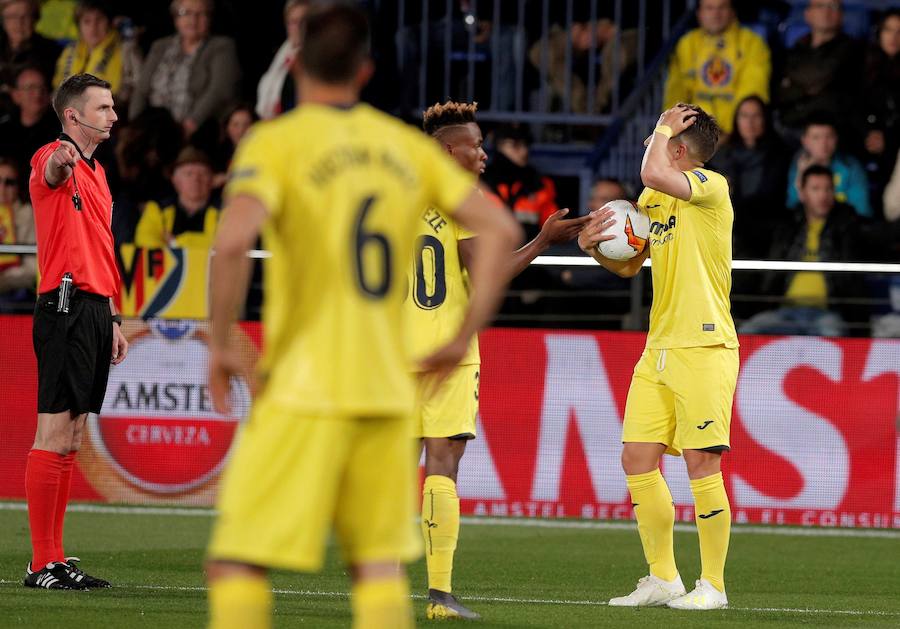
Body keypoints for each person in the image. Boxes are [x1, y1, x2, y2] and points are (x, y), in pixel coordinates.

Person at [204, 5, 522, 629]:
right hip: (385, 385)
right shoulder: (403, 149)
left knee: (240, 561)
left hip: (304, 379)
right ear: (367, 69)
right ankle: (436, 594)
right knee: (377, 567)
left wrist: (220, 341)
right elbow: (500, 226)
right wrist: (461, 336)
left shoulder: (275, 142)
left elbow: (234, 241)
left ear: (294, 65)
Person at [409, 101, 601, 620]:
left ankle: (373, 587)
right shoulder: (462, 199)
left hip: (392, 352)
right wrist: (543, 239)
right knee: (441, 466)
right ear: (450, 150)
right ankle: (440, 595)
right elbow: (488, 272)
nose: (485, 154)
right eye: (475, 144)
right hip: (447, 349)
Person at [579, 104, 738, 610]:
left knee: (701, 463)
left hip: (705, 344)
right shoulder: (652, 197)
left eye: (661, 136)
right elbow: (631, 266)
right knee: (637, 458)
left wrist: (667, 121)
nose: (655, 139)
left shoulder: (712, 188)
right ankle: (664, 578)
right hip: (659, 347)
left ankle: (712, 585)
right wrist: (596, 248)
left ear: (677, 149)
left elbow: (650, 168)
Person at [24, 72, 128, 590]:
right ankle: (41, 563)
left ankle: (55, 558)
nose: (112, 115)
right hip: (62, 307)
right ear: (73, 115)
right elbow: (49, 171)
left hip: (92, 311)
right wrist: (62, 160)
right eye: (103, 108)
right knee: (53, 433)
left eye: (111, 107)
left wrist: (112, 317)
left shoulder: (100, 173)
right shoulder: (52, 157)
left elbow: (104, 248)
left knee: (72, 438)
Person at [741, 165, 864, 337]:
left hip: (827, 314)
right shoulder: (786, 226)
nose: (823, 195)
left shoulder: (846, 225)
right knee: (748, 331)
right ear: (802, 193)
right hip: (784, 313)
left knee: (833, 335)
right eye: (816, 189)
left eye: (828, 189)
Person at [128, 0, 240, 140]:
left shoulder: (222, 47)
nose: (193, 20)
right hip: (152, 129)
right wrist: (135, 127)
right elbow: (141, 90)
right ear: (176, 18)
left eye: (201, 14)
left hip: (195, 131)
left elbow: (219, 91)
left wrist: (188, 127)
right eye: (186, 13)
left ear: (209, 18)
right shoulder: (160, 46)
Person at [663, 0, 770, 135]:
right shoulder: (686, 44)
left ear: (732, 11)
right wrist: (672, 129)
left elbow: (752, 89)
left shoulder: (752, 43)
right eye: (709, 8)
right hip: (694, 134)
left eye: (722, 7)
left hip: (735, 135)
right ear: (699, 14)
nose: (716, 14)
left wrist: (730, 132)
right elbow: (675, 93)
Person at [708, 95, 789, 257]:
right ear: (736, 120)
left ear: (765, 119)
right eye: (744, 116)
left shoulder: (779, 154)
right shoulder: (722, 154)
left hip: (766, 228)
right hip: (726, 226)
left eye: (756, 116)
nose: (750, 123)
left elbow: (774, 199)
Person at [776, 0, 863, 136]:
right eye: (820, 6)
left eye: (833, 7)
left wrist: (792, 84)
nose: (826, 11)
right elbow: (780, 92)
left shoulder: (852, 48)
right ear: (807, 14)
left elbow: (819, 76)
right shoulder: (796, 47)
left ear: (842, 15)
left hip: (831, 133)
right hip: (790, 126)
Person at [52, 0, 143, 106]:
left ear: (109, 22)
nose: (93, 27)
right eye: (87, 21)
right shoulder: (69, 51)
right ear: (79, 27)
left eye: (99, 20)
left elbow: (138, 86)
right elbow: (57, 87)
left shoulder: (127, 49)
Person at [482, 123, 559, 242]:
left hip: (530, 253)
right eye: (515, 145)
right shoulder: (480, 182)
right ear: (498, 146)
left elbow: (554, 229)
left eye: (525, 145)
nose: (524, 151)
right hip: (487, 252)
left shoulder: (540, 184)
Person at [134, 146, 219, 249]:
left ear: (212, 180)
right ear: (175, 180)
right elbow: (144, 244)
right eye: (189, 174)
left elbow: (228, 246)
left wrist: (175, 243)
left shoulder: (226, 211)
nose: (196, 179)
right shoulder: (157, 210)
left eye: (202, 173)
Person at [786, 115, 871, 217]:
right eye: (816, 137)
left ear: (836, 138)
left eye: (829, 137)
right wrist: (802, 176)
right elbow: (792, 207)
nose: (823, 144)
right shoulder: (798, 165)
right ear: (805, 141)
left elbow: (862, 209)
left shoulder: (850, 166)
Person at [0, 65, 59, 172]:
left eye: (42, 87)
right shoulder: (4, 131)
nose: (38, 93)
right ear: (16, 95)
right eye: (31, 88)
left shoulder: (59, 131)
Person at [256, 0, 308, 120]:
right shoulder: (282, 54)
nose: (298, 27)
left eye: (303, 21)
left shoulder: (318, 56)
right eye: (293, 22)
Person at [0, 0, 60, 96]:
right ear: (3, 20)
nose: (19, 23)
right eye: (12, 17)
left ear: (35, 19)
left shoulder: (51, 51)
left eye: (25, 17)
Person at [0, 155, 36, 311]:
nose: (2, 188)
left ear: (18, 187)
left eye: (9, 183)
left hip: (16, 293)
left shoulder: (28, 214)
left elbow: (32, 269)